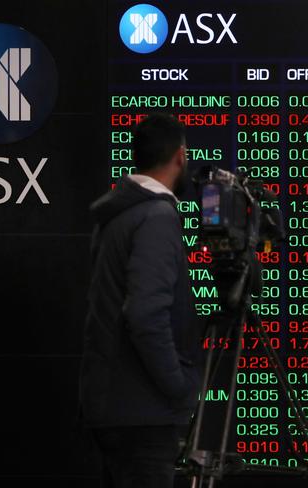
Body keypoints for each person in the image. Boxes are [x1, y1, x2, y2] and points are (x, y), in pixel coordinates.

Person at [79, 113, 201, 487]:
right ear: (180, 156)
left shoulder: (121, 213)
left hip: (117, 405)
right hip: (142, 412)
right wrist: (179, 386)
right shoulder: (156, 216)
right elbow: (146, 314)